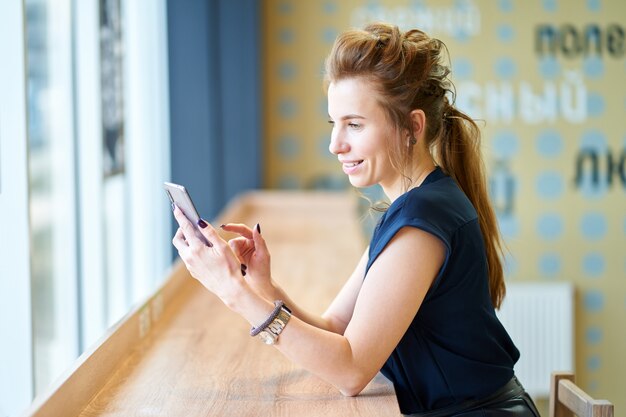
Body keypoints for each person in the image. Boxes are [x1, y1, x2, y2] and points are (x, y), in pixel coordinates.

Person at [171, 22, 540, 417]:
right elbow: (335, 329)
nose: (335, 144)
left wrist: (233, 293)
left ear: (412, 127)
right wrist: (262, 285)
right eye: (335, 124)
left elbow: (350, 371)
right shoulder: (411, 209)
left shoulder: (422, 223)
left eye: (355, 124)